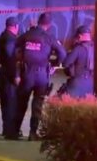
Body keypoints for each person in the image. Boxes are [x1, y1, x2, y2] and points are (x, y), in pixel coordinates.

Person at [14, 13, 67, 141]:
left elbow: (15, 47)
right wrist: (54, 64)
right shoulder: (49, 37)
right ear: (49, 25)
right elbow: (62, 53)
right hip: (42, 75)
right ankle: (33, 133)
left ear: (38, 21)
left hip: (27, 74)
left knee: (21, 103)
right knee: (37, 104)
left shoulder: (27, 35)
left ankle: (14, 131)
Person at [0, 17, 21, 139]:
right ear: (16, 26)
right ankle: (10, 131)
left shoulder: (2, 36)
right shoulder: (10, 39)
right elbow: (11, 58)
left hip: (4, 72)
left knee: (5, 102)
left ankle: (6, 129)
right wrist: (16, 75)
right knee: (11, 102)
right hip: (10, 74)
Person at [58, 25, 95, 98]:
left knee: (61, 97)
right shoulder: (95, 48)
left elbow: (65, 63)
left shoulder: (78, 49)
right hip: (91, 83)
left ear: (80, 36)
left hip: (77, 83)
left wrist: (62, 51)